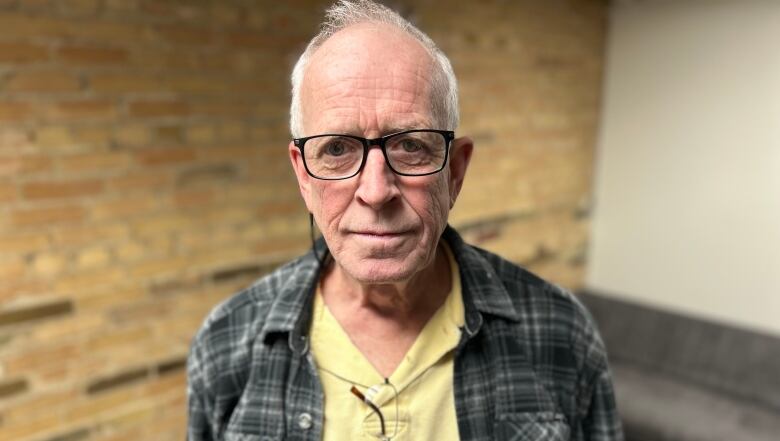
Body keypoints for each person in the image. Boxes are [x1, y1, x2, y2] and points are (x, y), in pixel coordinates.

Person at [187, 1, 623, 440]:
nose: (376, 192)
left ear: (455, 172)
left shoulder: (561, 333)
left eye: (411, 146)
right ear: (303, 175)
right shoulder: (228, 343)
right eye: (337, 149)